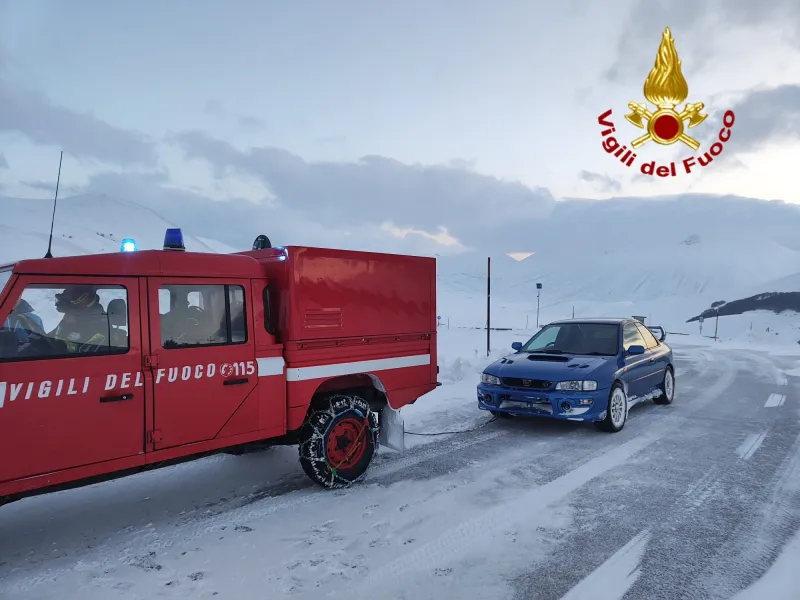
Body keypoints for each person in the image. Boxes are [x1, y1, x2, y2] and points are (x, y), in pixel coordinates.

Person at [49, 285, 110, 354]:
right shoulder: (70, 319)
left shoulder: (99, 325)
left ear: (86, 299)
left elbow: (85, 357)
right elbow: (50, 338)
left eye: (71, 295)